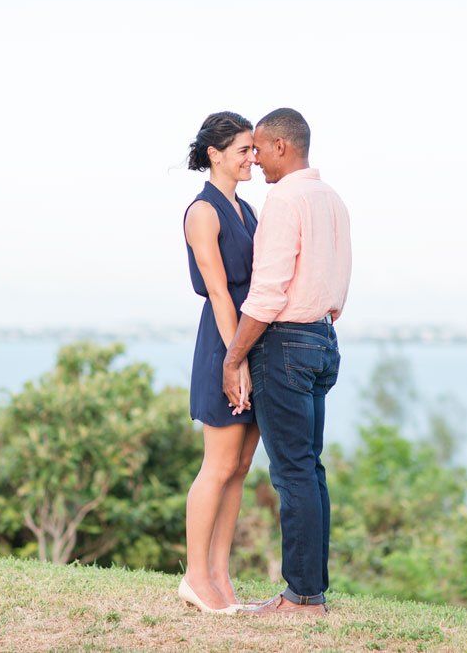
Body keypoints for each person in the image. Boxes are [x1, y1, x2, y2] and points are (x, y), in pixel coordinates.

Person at [223, 108, 352, 617]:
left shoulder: (284, 200)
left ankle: (301, 599)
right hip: (323, 339)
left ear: (280, 146)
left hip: (285, 343)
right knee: (310, 471)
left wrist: (234, 356)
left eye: (258, 148)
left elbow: (267, 290)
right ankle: (310, 594)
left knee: (293, 473)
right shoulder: (333, 200)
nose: (254, 157)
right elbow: (338, 284)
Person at [178, 111, 262, 615]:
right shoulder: (202, 212)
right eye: (244, 150)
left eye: (254, 149)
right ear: (215, 154)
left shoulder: (247, 210)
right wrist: (237, 361)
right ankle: (194, 576)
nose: (253, 157)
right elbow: (218, 290)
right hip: (223, 343)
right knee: (218, 464)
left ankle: (221, 578)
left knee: (241, 466)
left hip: (249, 341)